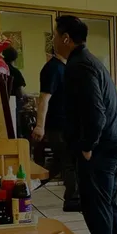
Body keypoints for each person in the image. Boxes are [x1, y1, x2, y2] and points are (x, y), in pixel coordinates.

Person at [53, 15, 117, 234]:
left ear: (66, 38)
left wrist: (87, 146)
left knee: (96, 205)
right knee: (107, 203)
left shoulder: (79, 66)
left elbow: (96, 113)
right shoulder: (91, 61)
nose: (53, 40)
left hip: (101, 148)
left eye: (55, 35)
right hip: (116, 143)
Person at [31, 52, 80, 212]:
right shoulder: (53, 68)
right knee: (69, 162)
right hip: (58, 126)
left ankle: (28, 186)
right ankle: (72, 200)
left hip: (64, 125)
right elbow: (44, 99)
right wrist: (40, 126)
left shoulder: (64, 67)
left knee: (58, 163)